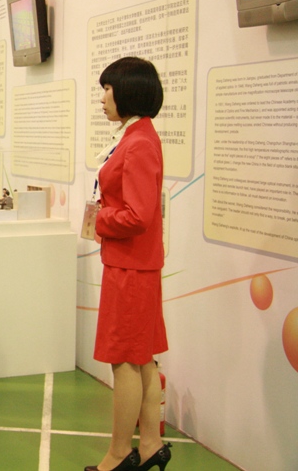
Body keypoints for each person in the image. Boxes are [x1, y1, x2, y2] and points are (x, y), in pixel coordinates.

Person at [86, 56, 170, 471]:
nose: (103, 99)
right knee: (142, 359)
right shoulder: (137, 136)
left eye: (107, 89)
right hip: (136, 265)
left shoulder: (137, 143)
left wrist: (101, 219)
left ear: (128, 92)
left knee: (125, 361)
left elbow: (138, 215)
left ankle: (120, 453)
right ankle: (151, 444)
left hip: (130, 268)